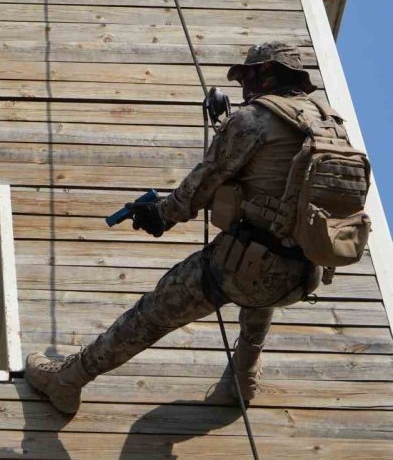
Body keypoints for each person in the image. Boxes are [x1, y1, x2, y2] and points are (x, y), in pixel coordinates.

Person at [26, 42, 371, 415]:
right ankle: (243, 376)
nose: (243, 88)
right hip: (304, 273)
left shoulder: (255, 119)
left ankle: (67, 380)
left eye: (247, 77)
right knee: (264, 274)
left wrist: (160, 215)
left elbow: (200, 186)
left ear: (267, 73)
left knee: (153, 312)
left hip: (249, 270)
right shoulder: (329, 123)